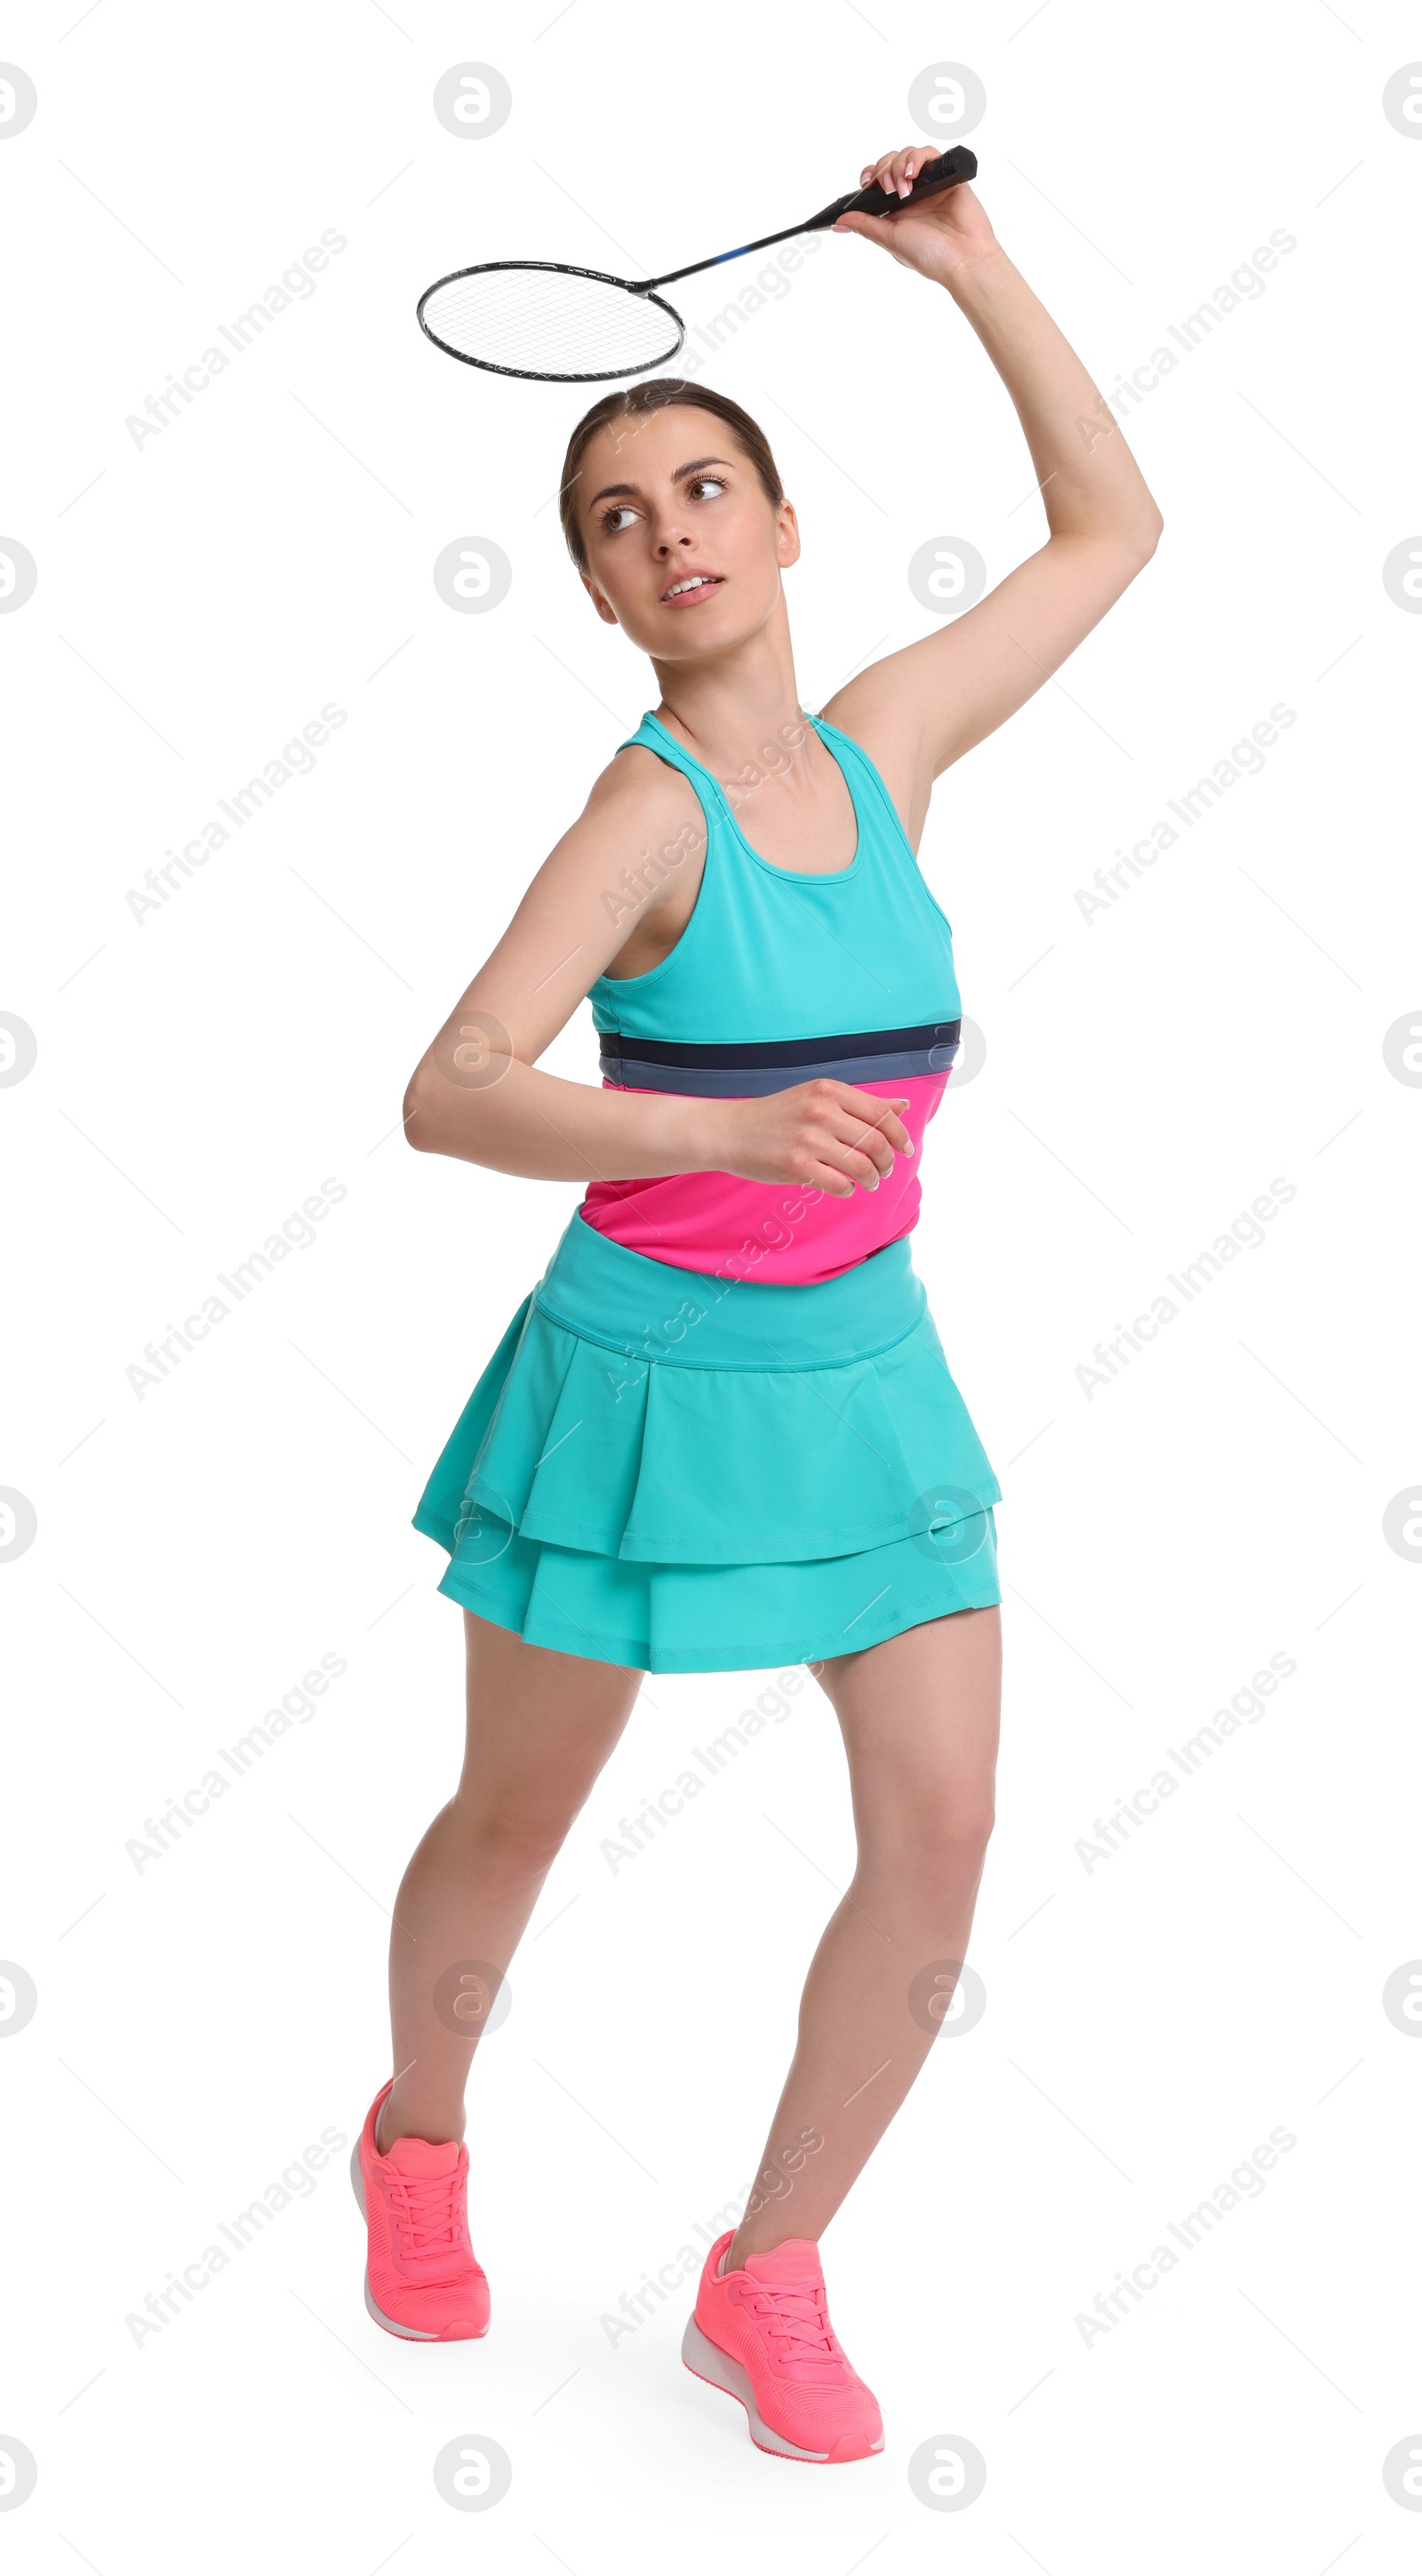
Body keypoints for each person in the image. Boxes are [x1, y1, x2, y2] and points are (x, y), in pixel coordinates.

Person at [351, 142, 1162, 2462]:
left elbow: (1115, 531)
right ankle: (418, 2136)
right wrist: (711, 1131)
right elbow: (452, 1087)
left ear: (788, 529)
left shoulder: (893, 747)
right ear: (603, 593)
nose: (673, 529)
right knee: (513, 1821)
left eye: (709, 486)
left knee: (944, 1831)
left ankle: (766, 2263)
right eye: (621, 515)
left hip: (864, 1372)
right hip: (640, 1378)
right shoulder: (641, 816)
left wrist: (969, 263)